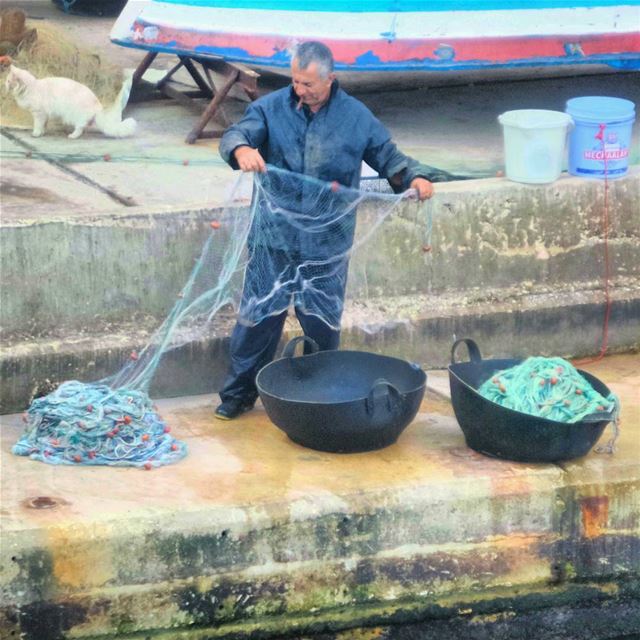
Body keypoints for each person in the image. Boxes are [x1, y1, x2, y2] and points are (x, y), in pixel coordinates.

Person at [215, 41, 452, 420]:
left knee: (320, 327)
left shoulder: (355, 117)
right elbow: (237, 133)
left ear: (331, 80)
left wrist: (415, 177)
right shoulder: (271, 108)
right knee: (258, 320)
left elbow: (388, 157)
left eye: (308, 84)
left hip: (327, 242)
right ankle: (237, 396)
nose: (300, 90)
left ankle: (316, 399)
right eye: (295, 81)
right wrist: (241, 149)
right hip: (274, 237)